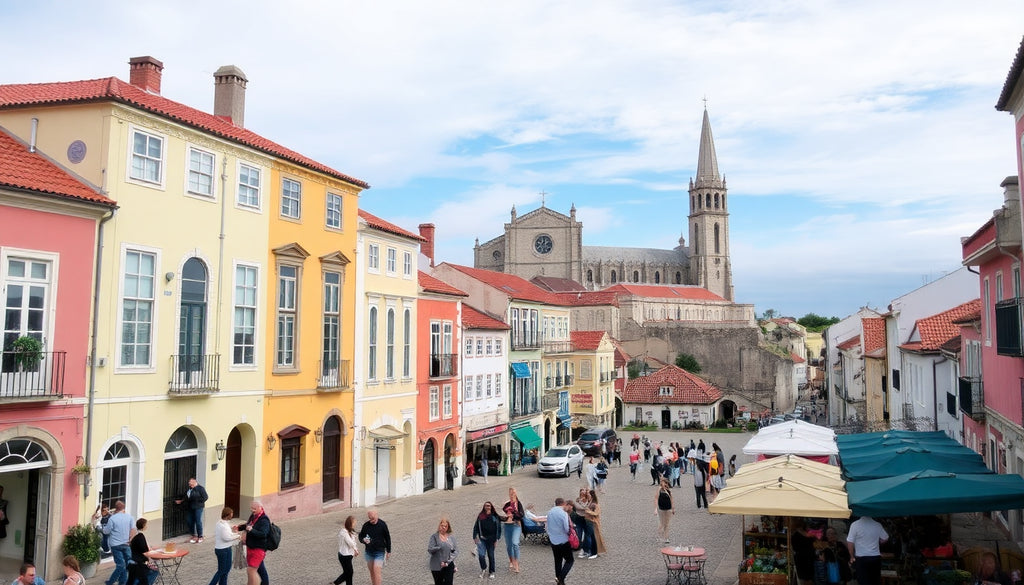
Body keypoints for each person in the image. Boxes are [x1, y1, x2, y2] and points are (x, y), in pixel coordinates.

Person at [846, 515, 888, 585]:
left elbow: (850, 542)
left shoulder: (855, 525)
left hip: (861, 558)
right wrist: (878, 542)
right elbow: (885, 538)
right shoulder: (877, 525)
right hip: (875, 557)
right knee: (875, 581)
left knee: (863, 581)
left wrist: (852, 556)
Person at [103, 500, 135, 585]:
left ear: (116, 509)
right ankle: (122, 582)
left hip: (115, 545)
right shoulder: (129, 517)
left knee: (121, 565)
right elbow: (133, 529)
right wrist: (130, 539)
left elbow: (106, 531)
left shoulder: (112, 518)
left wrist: (102, 528)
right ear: (124, 508)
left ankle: (111, 581)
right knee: (126, 564)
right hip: (126, 544)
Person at [358, 508, 391, 585]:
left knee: (376, 570)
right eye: (369, 518)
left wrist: (389, 551)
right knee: (372, 572)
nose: (371, 520)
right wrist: (363, 540)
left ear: (376, 515)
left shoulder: (382, 525)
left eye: (372, 518)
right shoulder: (366, 525)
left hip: (379, 551)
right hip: (369, 552)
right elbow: (361, 536)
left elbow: (387, 538)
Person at [545, 497, 574, 585]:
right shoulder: (563, 513)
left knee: (558, 560)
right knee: (569, 560)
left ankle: (559, 580)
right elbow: (566, 528)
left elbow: (547, 526)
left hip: (553, 540)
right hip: (563, 540)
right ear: (563, 504)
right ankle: (561, 578)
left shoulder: (549, 512)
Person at [208, 507, 240, 585]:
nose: (232, 516)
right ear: (227, 515)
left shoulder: (222, 523)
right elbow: (227, 538)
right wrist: (238, 536)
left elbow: (229, 534)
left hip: (225, 549)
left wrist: (237, 534)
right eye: (231, 514)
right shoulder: (223, 525)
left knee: (226, 570)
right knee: (222, 570)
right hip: (223, 550)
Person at [242, 500, 272, 585]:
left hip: (258, 549)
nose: (252, 510)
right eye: (251, 508)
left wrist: (252, 530)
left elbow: (263, 534)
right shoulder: (253, 516)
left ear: (260, 508)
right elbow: (248, 525)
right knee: (260, 570)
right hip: (251, 547)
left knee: (251, 571)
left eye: (254, 508)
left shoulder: (264, 520)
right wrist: (240, 527)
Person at [472, 502, 502, 580]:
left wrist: (497, 539)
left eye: (489, 506)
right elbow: (476, 527)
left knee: (491, 555)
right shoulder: (480, 516)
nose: (487, 507)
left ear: (491, 507)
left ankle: (491, 571)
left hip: (492, 540)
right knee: (481, 555)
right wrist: (474, 537)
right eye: (486, 506)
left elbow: (499, 528)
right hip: (482, 539)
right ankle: (483, 568)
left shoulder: (495, 516)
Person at [175, 477, 209, 543]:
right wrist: (181, 501)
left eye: (190, 483)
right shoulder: (189, 489)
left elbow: (205, 497)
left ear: (194, 482)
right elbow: (187, 497)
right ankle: (193, 535)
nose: (189, 484)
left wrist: (197, 501)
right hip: (190, 507)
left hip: (198, 507)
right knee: (189, 520)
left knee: (198, 521)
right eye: (189, 483)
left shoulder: (200, 488)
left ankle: (200, 536)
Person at [499, 487, 524, 573]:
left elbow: (521, 515)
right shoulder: (506, 504)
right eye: (511, 493)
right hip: (507, 526)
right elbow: (501, 515)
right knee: (509, 546)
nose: (512, 494)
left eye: (514, 493)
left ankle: (516, 562)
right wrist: (505, 516)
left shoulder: (518, 504)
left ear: (516, 494)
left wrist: (513, 515)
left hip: (516, 525)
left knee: (515, 543)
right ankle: (511, 560)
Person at [427, 518, 458, 585]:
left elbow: (455, 551)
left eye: (445, 526)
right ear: (439, 526)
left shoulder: (451, 538)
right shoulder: (434, 537)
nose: (443, 527)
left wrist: (448, 562)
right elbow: (430, 550)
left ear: (448, 528)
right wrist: (439, 547)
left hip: (448, 564)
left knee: (449, 583)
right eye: (442, 525)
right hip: (436, 565)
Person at [127, 518, 158, 585]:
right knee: (154, 571)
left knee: (132, 580)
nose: (147, 526)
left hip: (132, 562)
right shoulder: (140, 536)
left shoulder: (136, 535)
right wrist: (152, 558)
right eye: (146, 525)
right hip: (139, 563)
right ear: (143, 526)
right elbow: (145, 551)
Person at [333, 515, 360, 585]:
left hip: (347, 555)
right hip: (344, 556)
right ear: (350, 523)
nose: (354, 525)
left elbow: (353, 541)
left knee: (348, 573)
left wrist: (355, 549)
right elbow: (350, 542)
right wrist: (356, 550)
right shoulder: (344, 532)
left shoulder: (350, 531)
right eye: (354, 523)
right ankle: (335, 583)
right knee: (349, 572)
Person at [790, 519, 816, 585]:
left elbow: (795, 548)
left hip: (801, 559)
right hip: (809, 558)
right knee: (809, 579)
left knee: (803, 580)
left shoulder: (795, 535)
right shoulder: (808, 534)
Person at [583, 490, 605, 559]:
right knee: (591, 537)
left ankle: (594, 552)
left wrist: (588, 511)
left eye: (588, 495)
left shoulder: (595, 504)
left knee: (594, 538)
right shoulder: (589, 502)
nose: (587, 496)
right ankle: (590, 551)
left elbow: (596, 513)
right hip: (588, 522)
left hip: (593, 522)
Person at [655, 478, 674, 543]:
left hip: (668, 509)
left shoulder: (669, 490)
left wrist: (673, 508)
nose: (663, 484)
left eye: (664, 483)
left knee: (667, 524)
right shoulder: (659, 490)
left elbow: (671, 499)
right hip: (661, 509)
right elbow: (656, 498)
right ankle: (659, 536)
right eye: (662, 483)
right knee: (662, 523)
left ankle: (666, 538)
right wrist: (655, 509)